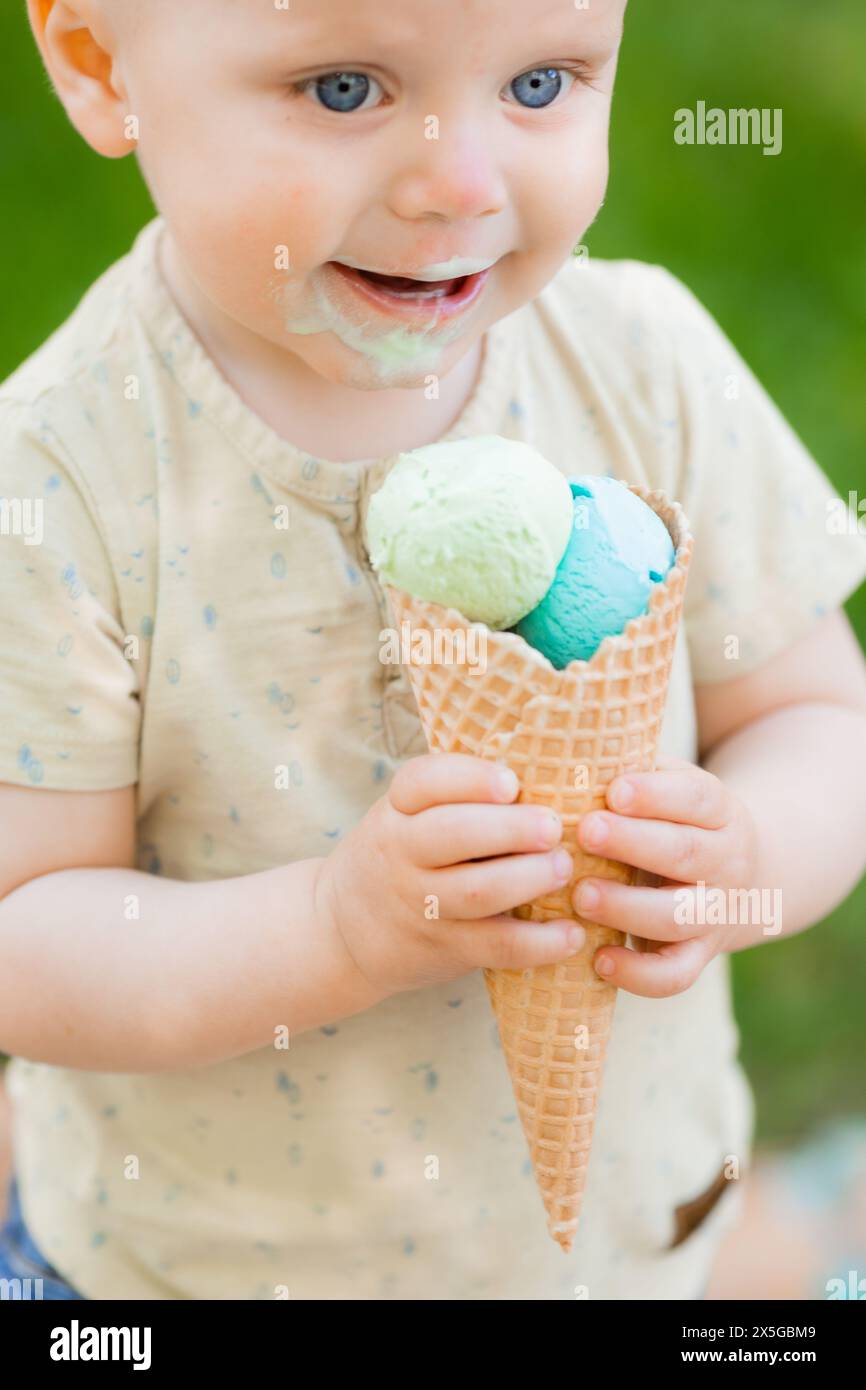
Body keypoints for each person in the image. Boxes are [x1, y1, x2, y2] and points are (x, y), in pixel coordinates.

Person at [1, 0, 865, 1301]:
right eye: (343, 88)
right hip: (179, 1277)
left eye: (540, 82)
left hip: (627, 1252)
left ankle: (782, 1237)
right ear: (95, 64)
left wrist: (743, 856)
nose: (461, 182)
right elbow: (26, 936)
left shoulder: (641, 362)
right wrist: (331, 929)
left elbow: (817, 720)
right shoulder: (63, 477)